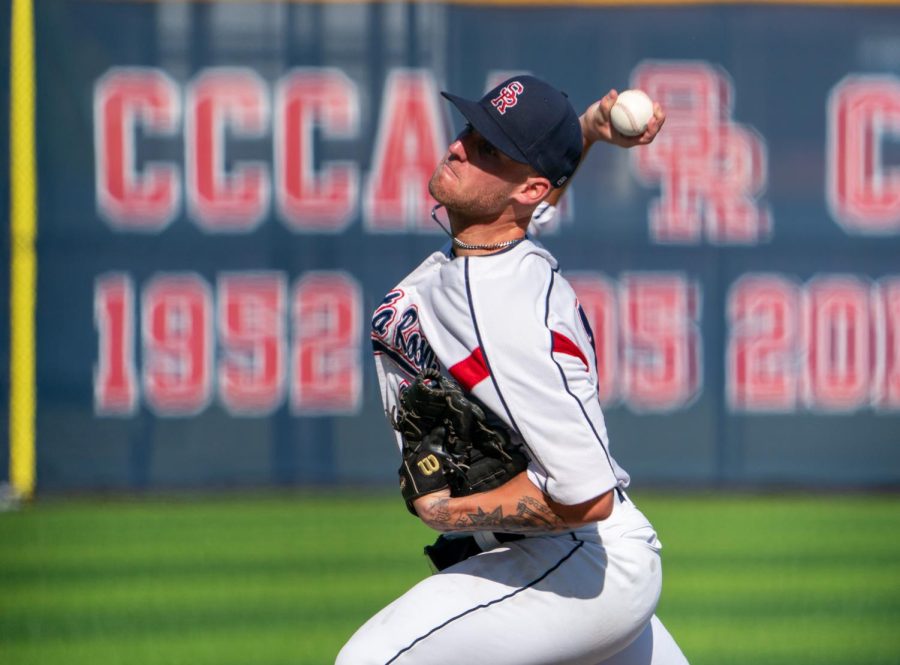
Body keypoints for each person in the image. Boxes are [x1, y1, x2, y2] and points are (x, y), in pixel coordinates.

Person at [337, 75, 688, 665]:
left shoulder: (508, 313)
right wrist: (586, 134)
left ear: (526, 186)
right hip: (572, 557)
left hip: (580, 561)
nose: (459, 147)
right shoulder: (500, 251)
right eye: (472, 131)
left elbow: (588, 495)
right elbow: (531, 201)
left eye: (488, 150)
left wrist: (448, 512)